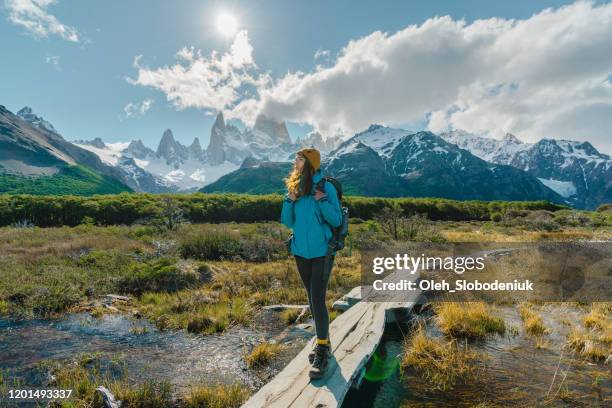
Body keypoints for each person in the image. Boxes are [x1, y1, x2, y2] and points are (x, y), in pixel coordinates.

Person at [281, 148, 342, 380]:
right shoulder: (294, 187)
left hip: (321, 252)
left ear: (309, 163)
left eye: (299, 158)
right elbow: (287, 221)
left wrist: (323, 200)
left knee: (317, 297)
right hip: (300, 252)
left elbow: (336, 219)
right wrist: (290, 199)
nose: (295, 161)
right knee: (311, 297)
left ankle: (323, 349)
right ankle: (322, 340)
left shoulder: (324, 187)